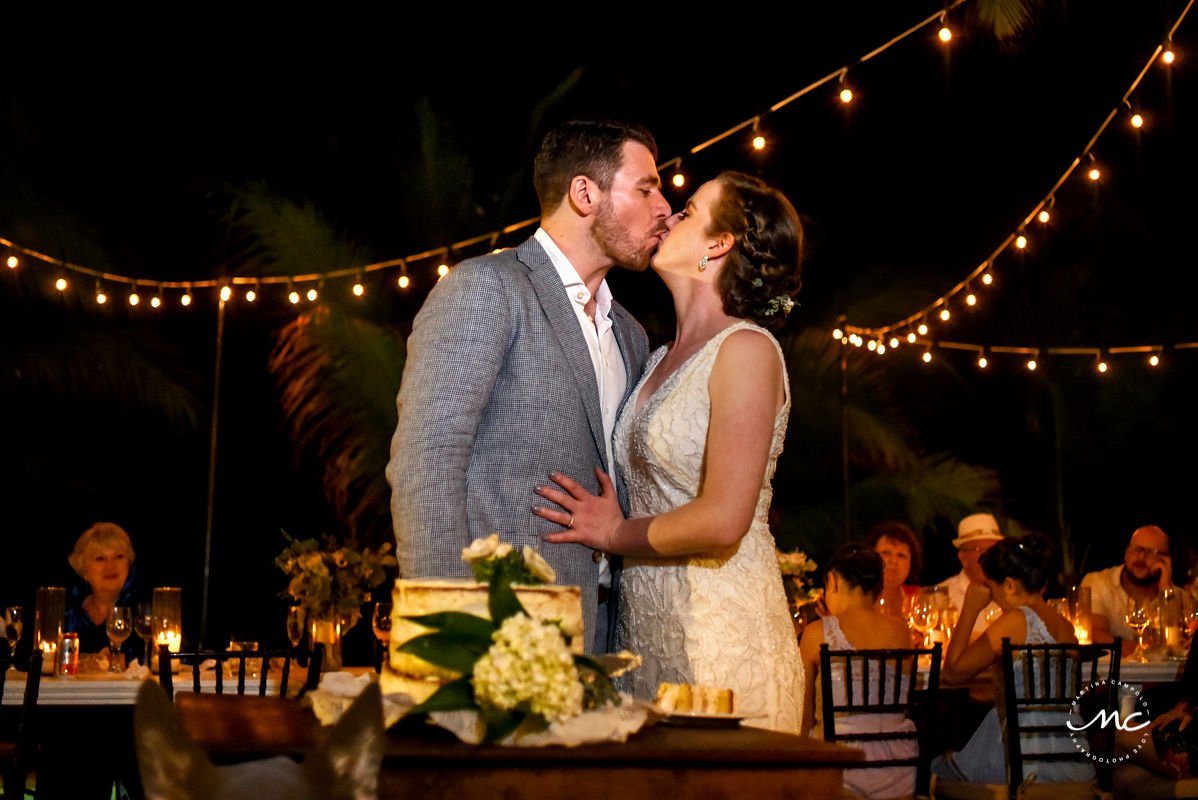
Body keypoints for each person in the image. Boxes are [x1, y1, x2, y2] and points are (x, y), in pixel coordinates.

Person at [533, 170, 805, 731]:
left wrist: (612, 535)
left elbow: (725, 519)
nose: (667, 216)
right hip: (645, 634)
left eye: (687, 209)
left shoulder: (748, 350)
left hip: (719, 638)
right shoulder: (655, 358)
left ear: (718, 243)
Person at [386, 120, 666, 653]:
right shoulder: (487, 287)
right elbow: (425, 461)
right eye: (647, 188)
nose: (663, 208)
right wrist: (445, 627)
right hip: (502, 631)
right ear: (585, 193)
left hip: (609, 638)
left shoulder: (630, 333)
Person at [931, 533, 1090, 785]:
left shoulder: (1016, 620)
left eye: (990, 588)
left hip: (1023, 754)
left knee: (938, 773)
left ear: (1009, 585)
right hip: (1070, 753)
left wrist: (970, 609)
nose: (989, 595)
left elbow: (951, 674)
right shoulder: (1065, 626)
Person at [799, 544, 919, 799]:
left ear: (832, 582)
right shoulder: (901, 631)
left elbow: (803, 713)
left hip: (839, 767)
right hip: (898, 768)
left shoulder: (817, 634)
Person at [63, 521, 143, 665]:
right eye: (100, 558)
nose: (110, 565)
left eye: (118, 557)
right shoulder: (68, 615)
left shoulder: (142, 614)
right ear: (84, 570)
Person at [1081, 525, 1173, 645]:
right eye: (1136, 549)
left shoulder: (1178, 596)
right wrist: (1139, 651)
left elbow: (1175, 643)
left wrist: (1166, 590)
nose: (1141, 557)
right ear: (1126, 553)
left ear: (1165, 561)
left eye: (1151, 553)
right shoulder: (1098, 583)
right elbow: (1094, 632)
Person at [935, 513, 1003, 637]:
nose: (989, 557)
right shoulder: (943, 596)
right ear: (963, 558)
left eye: (994, 550)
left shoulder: (1011, 592)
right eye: (980, 550)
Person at [867, 521, 923, 620]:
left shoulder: (919, 599)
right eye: (886, 553)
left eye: (901, 555)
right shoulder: (855, 598)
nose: (893, 560)